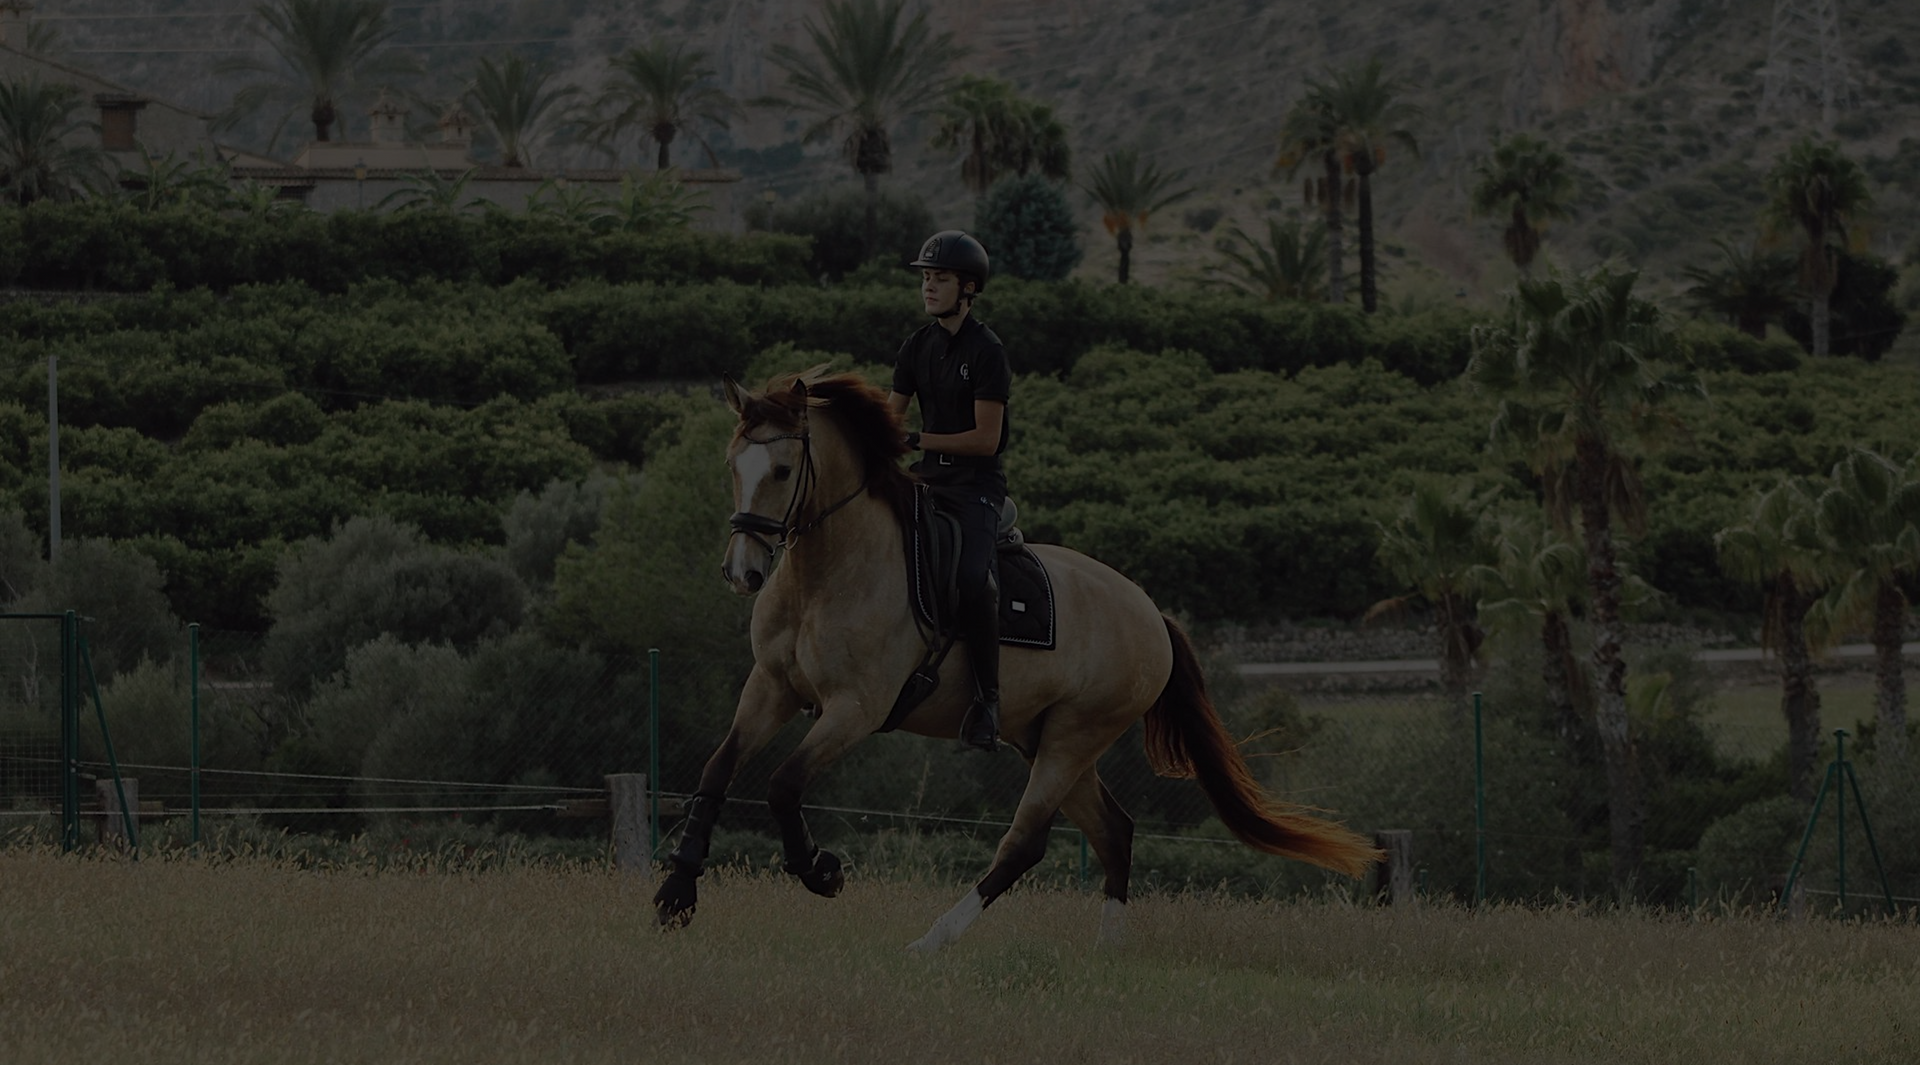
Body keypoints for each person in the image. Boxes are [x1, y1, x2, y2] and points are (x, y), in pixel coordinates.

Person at [888, 230, 1010, 752]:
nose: (929, 287)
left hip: (976, 487)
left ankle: (988, 700)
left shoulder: (987, 351)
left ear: (969, 288)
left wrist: (918, 439)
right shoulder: (916, 346)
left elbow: (986, 440)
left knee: (971, 579)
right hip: (927, 481)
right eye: (926, 278)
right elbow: (889, 419)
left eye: (940, 279)